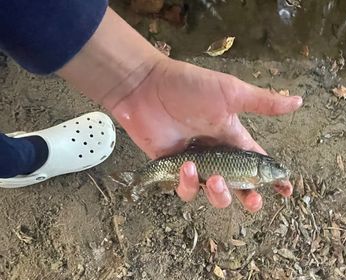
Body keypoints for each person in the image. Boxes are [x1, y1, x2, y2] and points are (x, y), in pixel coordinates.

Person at [0, 1, 302, 212]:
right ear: (261, 168)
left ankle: (17, 157)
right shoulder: (252, 169)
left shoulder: (250, 168)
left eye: (277, 168)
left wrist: (142, 76)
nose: (278, 171)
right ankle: (18, 162)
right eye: (275, 167)